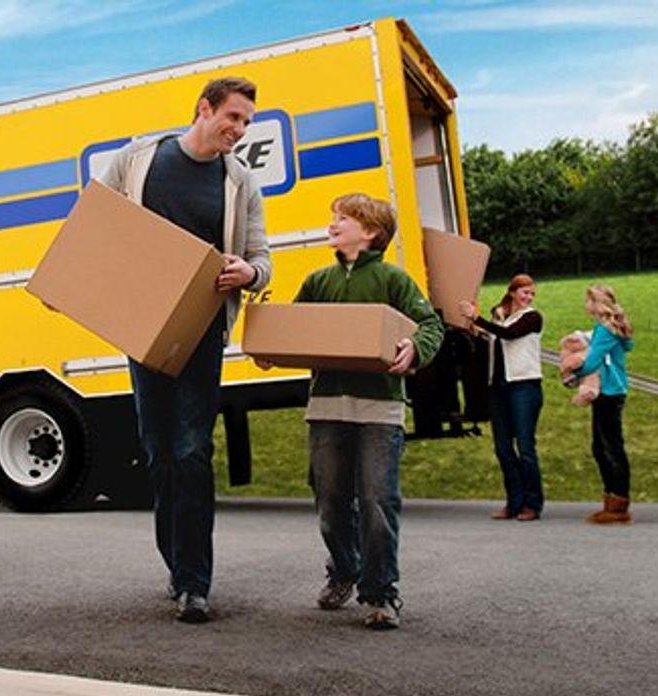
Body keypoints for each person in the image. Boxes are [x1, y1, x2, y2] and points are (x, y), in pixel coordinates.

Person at [98, 77, 272, 623]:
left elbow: (260, 258)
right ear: (204, 109)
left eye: (246, 123)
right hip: (144, 326)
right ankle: (176, 564)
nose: (240, 131)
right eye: (234, 118)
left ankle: (196, 583)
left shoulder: (239, 181)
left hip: (202, 332)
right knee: (158, 450)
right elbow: (95, 225)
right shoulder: (139, 159)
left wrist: (249, 272)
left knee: (194, 450)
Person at [260, 193, 442, 630]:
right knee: (331, 502)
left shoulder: (393, 281)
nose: (333, 224)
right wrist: (269, 348)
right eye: (333, 216)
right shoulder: (318, 281)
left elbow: (431, 324)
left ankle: (380, 593)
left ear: (371, 231)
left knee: (378, 501)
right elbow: (292, 329)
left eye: (343, 218)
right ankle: (344, 569)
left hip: (380, 410)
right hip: (326, 408)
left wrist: (415, 348)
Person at [457, 275, 545, 521]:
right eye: (525, 292)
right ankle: (514, 502)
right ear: (513, 292)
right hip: (498, 387)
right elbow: (492, 339)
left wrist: (479, 319)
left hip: (524, 386)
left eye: (531, 294)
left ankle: (533, 503)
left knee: (525, 447)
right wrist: (474, 324)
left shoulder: (532, 318)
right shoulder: (499, 317)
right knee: (503, 448)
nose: (528, 297)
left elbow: (508, 334)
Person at [573, 284, 635, 524]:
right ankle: (613, 500)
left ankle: (618, 504)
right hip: (614, 391)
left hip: (608, 393)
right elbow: (626, 347)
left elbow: (591, 362)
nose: (585, 305)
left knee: (609, 447)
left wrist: (570, 370)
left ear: (596, 304)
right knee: (603, 446)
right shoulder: (613, 328)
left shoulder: (603, 330)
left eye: (587, 300)